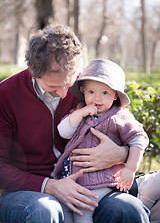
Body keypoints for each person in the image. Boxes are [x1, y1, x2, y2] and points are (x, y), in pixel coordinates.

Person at [0, 24, 150, 223]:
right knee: (44, 210)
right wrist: (49, 185)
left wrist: (121, 153)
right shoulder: (5, 96)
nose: (63, 94)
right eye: (53, 86)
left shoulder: (89, 88)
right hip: (30, 190)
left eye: (69, 83)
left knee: (128, 209)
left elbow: (128, 130)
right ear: (32, 71)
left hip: (91, 183)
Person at [54, 59, 149, 223]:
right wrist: (80, 113)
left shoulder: (118, 117)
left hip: (98, 185)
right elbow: (63, 131)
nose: (97, 98)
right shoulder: (80, 112)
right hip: (73, 181)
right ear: (83, 90)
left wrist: (130, 168)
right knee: (64, 212)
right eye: (91, 92)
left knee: (83, 213)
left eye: (104, 93)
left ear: (115, 96)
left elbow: (138, 139)